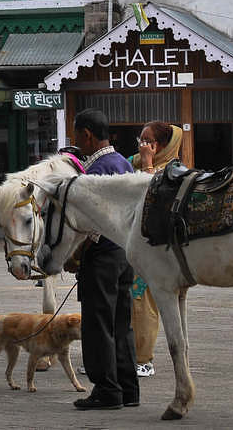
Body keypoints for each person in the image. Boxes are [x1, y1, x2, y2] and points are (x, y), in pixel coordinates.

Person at [69, 109, 138, 411]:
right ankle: (128, 388)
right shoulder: (124, 163)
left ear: (87, 134)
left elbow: (93, 221)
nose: (77, 142)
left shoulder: (95, 171)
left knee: (98, 324)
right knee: (121, 323)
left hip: (102, 255)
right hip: (125, 252)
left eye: (77, 136)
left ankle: (107, 389)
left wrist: (78, 253)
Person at [129, 121, 184, 379]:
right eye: (140, 139)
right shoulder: (133, 164)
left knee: (143, 303)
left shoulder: (171, 170)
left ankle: (143, 358)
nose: (141, 145)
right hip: (134, 248)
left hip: (157, 252)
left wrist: (148, 163)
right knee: (128, 303)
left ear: (159, 145)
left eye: (147, 140)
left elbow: (151, 198)